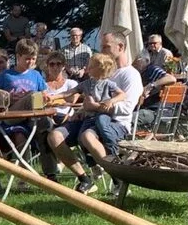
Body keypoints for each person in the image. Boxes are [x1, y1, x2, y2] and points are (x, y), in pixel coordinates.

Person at [44, 32, 143, 193]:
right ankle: (85, 179)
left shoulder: (130, 75)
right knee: (54, 136)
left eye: (106, 46)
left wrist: (95, 106)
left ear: (121, 47)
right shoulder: (93, 78)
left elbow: (125, 109)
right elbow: (80, 94)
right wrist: (82, 109)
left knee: (87, 136)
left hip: (114, 124)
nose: (102, 50)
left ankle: (117, 179)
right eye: (101, 46)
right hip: (89, 118)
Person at [0, 39, 46, 153]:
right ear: (18, 57)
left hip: (30, 117)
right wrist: (6, 96)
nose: (30, 62)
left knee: (41, 122)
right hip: (11, 114)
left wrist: (45, 97)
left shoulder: (36, 75)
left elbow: (44, 93)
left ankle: (26, 168)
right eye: (27, 59)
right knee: (32, 95)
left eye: (33, 59)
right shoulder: (7, 75)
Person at [133, 63, 179, 130]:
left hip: (154, 112)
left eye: (134, 63)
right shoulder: (136, 73)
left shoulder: (151, 69)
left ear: (141, 61)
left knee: (126, 118)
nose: (133, 65)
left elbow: (171, 78)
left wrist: (151, 85)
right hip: (147, 110)